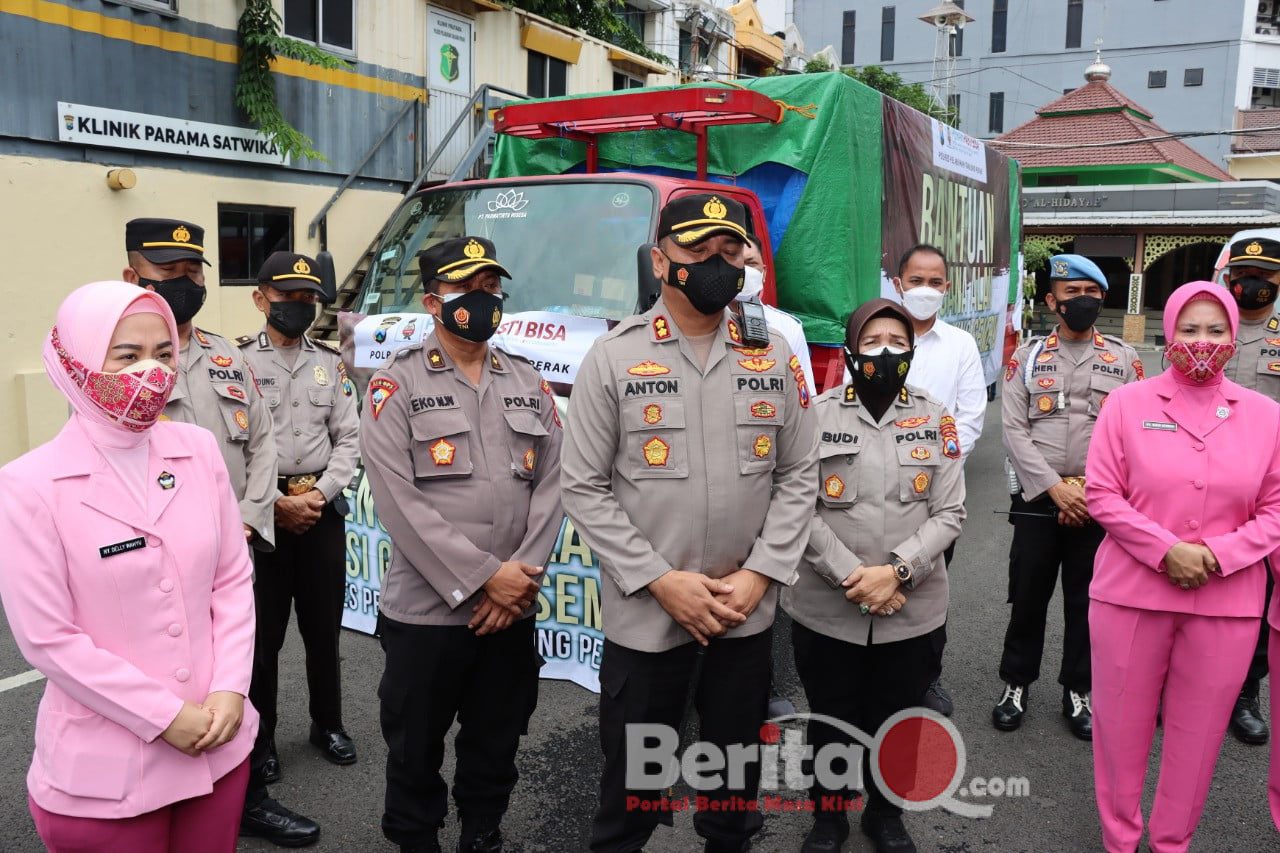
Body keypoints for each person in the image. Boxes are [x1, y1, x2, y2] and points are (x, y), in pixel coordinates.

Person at [561, 193, 819, 853]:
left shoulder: (773, 357)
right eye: (699, 251)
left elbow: (798, 474)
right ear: (659, 260)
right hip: (649, 622)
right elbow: (583, 486)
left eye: (730, 252)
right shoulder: (613, 358)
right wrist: (658, 579)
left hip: (744, 614)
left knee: (733, 797)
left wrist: (762, 572)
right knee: (630, 798)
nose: (716, 264)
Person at [0, 281, 257, 852]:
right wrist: (164, 715)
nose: (152, 371)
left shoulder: (197, 449)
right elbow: (48, 638)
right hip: (107, 774)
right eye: (127, 356)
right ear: (77, 361)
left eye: (164, 354)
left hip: (219, 744)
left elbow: (231, 579)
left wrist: (232, 690)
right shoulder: (28, 485)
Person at [361, 236, 563, 853]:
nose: (481, 299)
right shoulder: (394, 387)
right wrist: (485, 578)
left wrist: (518, 580)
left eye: (490, 289)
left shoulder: (530, 382)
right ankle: (415, 836)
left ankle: (483, 829)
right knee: (414, 742)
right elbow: (399, 502)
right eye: (465, 288)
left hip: (511, 609)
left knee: (497, 737)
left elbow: (554, 485)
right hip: (427, 613)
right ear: (432, 300)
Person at [120, 218, 318, 845]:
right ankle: (160, 794)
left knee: (245, 672)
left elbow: (260, 443)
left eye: (192, 272)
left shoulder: (226, 355)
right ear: (133, 277)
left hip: (235, 556)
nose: (185, 283)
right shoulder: (117, 361)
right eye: (168, 274)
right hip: (157, 565)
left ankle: (248, 792)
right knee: (164, 680)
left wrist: (247, 527)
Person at [1086, 280, 1280, 852]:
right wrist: (1164, 548)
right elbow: (1102, 493)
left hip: (1227, 605)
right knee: (1121, 735)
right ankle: (1119, 840)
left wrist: (1219, 554)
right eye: (1190, 329)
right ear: (1168, 333)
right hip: (1130, 596)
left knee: (1197, 742)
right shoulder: (1128, 403)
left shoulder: (1267, 416)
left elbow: (1275, 508)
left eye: (1216, 330)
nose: (1203, 341)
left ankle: (1174, 842)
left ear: (1233, 335)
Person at [785, 298, 964, 853]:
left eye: (897, 342)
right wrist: (853, 576)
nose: (885, 353)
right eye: (872, 341)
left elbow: (950, 512)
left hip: (912, 610)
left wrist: (897, 572)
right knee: (831, 718)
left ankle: (886, 815)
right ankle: (829, 817)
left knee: (901, 718)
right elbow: (796, 507)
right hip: (827, 609)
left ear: (911, 352)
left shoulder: (936, 418)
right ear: (850, 348)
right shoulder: (815, 416)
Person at [994, 253, 1143, 741]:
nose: (1082, 301)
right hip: (1040, 497)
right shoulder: (1028, 357)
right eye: (1072, 293)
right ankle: (1016, 683)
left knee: (1088, 600)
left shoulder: (1123, 359)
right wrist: (1056, 488)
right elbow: (1014, 429)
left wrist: (1090, 490)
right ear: (1051, 300)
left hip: (1099, 500)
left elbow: (1134, 435)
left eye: (1091, 293)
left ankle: (1078, 689)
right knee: (1028, 595)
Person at [237, 253, 361, 783]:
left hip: (320, 511)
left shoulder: (329, 364)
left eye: (309, 298)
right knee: (262, 640)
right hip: (265, 516)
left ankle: (326, 724)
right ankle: (260, 740)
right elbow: (233, 449)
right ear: (261, 298)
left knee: (322, 629)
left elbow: (349, 439)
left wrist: (319, 495)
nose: (300, 306)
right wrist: (273, 505)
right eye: (289, 297)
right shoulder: (236, 362)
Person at [890, 243, 987, 718]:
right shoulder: (877, 334)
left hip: (936, 496)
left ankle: (925, 678)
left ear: (947, 288)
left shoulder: (960, 345)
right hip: (875, 489)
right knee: (877, 576)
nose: (925, 290)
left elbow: (968, 420)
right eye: (916, 281)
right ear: (897, 283)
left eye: (935, 282)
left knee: (929, 589)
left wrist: (934, 473)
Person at [1220, 235, 1280, 746]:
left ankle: (1245, 693)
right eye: (1245, 273)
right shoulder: (1209, 330)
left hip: (1266, 492)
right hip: (1204, 486)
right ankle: (1174, 686)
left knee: (1258, 596)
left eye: (1266, 276)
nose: (1254, 283)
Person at [740, 235, 816, 391]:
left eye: (751, 263)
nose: (744, 271)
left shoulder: (788, 328)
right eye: (736, 264)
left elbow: (805, 396)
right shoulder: (705, 324)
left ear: (764, 273)